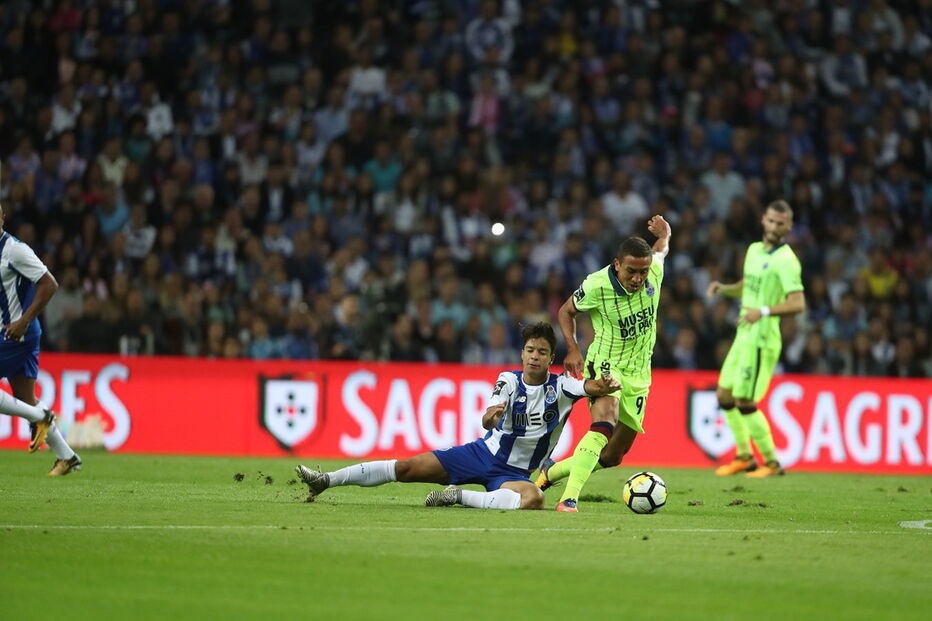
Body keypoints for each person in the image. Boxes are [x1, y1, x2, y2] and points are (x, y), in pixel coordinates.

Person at [295, 322, 620, 510]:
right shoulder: (508, 380)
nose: (535, 357)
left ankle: (457, 496)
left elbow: (589, 387)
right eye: (530, 350)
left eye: (542, 352)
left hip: (515, 474)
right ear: (522, 353)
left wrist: (606, 384)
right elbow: (486, 419)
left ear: (552, 357)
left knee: (534, 498)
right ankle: (327, 480)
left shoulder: (562, 387)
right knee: (407, 467)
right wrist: (492, 418)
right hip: (481, 454)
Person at [536, 215, 671, 512]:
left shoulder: (655, 272)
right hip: (606, 364)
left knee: (612, 456)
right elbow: (565, 311)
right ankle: (568, 499)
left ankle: (550, 473)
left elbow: (661, 248)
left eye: (643, 272)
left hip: (639, 373)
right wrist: (572, 349)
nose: (638, 279)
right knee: (604, 423)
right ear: (617, 265)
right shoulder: (597, 285)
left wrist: (666, 233)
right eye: (632, 272)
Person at [707, 200, 806, 477]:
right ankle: (744, 456)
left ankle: (772, 463)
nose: (774, 227)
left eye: (780, 223)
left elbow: (798, 303)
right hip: (744, 335)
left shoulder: (787, 261)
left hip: (763, 337)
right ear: (764, 219)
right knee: (724, 393)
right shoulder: (753, 250)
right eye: (771, 221)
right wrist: (725, 289)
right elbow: (748, 285)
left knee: (745, 400)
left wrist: (762, 311)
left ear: (789, 225)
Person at [0, 205, 82, 475]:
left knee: (31, 409)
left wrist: (23, 320)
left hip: (16, 334)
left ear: (2, 218)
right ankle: (67, 457)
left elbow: (49, 283)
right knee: (25, 398)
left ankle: (41, 418)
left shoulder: (15, 249)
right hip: (14, 332)